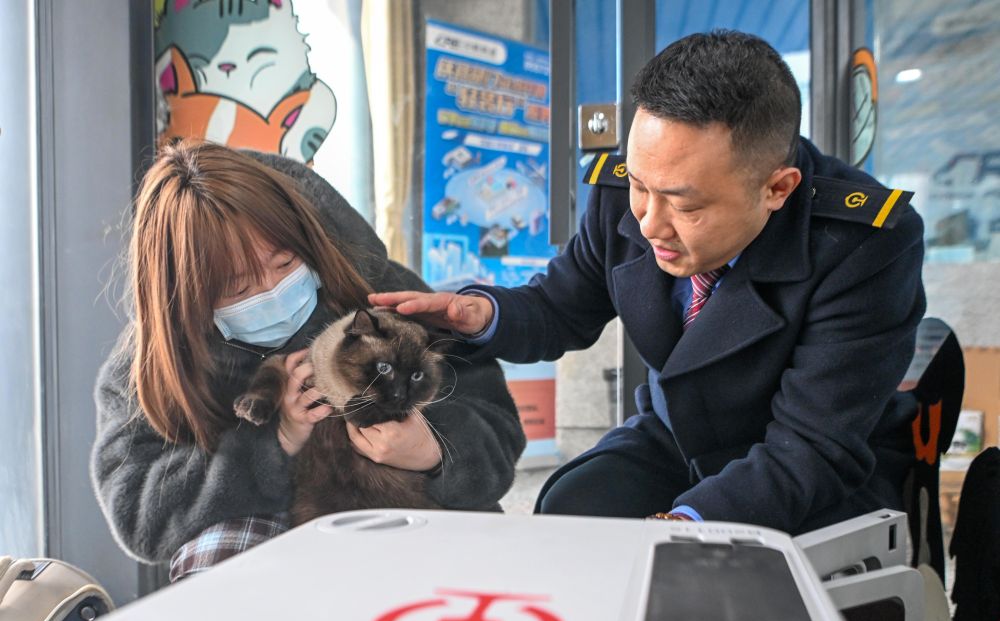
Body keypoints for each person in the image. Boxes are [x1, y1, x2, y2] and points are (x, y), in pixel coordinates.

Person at [370, 30, 926, 535]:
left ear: (777, 189)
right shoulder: (631, 191)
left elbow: (813, 446)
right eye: (640, 187)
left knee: (711, 581)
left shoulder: (864, 243)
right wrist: (482, 315)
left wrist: (682, 526)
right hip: (678, 436)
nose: (649, 224)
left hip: (806, 463)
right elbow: (562, 305)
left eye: (686, 206)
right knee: (572, 510)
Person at [91, 139, 525, 580]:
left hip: (420, 516)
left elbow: (498, 432)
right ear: (188, 296)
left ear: (306, 238)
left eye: (284, 263)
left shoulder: (379, 292)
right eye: (238, 288)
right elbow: (140, 516)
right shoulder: (149, 368)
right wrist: (269, 446)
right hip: (267, 545)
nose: (272, 291)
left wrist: (433, 451)